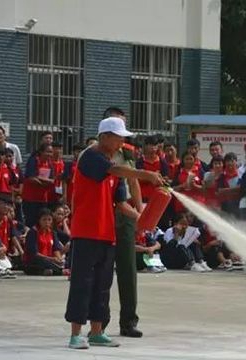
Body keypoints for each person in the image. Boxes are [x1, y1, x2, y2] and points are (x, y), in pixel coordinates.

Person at [64, 117, 165, 349]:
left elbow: (121, 204)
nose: (122, 142)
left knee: (102, 284)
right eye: (119, 137)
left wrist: (143, 220)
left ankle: (97, 332)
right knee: (82, 282)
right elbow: (114, 170)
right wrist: (145, 175)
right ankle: (75, 334)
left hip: (106, 234)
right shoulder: (90, 157)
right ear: (105, 136)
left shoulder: (114, 168)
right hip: (86, 231)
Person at [102, 107, 146, 339]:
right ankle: (100, 321)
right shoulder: (96, 152)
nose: (122, 135)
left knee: (128, 269)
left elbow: (134, 180)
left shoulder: (127, 153)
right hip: (104, 213)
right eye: (118, 127)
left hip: (126, 214)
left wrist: (141, 212)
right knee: (103, 269)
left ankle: (129, 321)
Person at [22, 143, 54, 227]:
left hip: (42, 199)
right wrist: (44, 181)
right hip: (30, 198)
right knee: (30, 223)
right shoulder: (34, 160)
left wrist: (40, 180)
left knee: (41, 224)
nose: (49, 154)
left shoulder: (50, 163)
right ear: (41, 152)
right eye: (47, 152)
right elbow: (31, 178)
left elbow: (52, 180)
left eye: (51, 152)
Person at [23, 208, 64, 275]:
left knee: (64, 262)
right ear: (39, 220)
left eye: (49, 220)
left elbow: (56, 249)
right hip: (35, 261)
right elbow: (34, 254)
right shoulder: (33, 232)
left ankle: (52, 270)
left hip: (49, 260)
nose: (47, 222)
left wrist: (59, 259)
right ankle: (59, 271)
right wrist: (52, 259)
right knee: (43, 262)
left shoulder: (52, 233)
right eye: (44, 219)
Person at [135, 135, 169, 203]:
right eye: (151, 145)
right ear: (145, 146)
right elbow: (137, 178)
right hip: (143, 197)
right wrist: (152, 177)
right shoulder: (140, 161)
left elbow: (166, 178)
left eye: (155, 146)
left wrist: (161, 179)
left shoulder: (162, 161)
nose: (153, 148)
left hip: (158, 196)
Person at [215, 152, 241, 217]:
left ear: (236, 162)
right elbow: (219, 191)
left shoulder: (241, 175)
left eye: (232, 161)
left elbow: (242, 190)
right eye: (227, 161)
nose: (230, 163)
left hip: (239, 207)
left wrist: (226, 191)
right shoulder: (222, 176)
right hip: (225, 207)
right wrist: (236, 190)